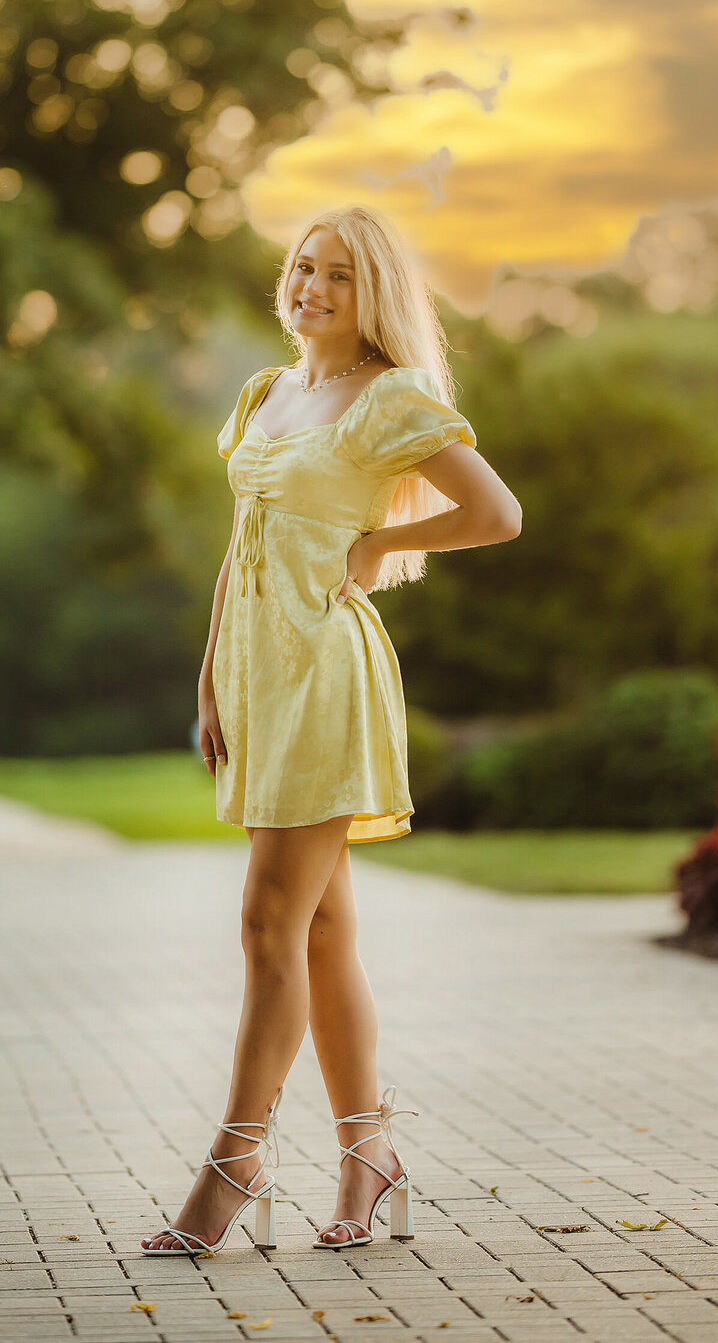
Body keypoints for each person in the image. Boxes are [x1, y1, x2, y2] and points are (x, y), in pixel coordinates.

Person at [141, 204, 522, 1256]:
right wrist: (216, 676)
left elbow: (498, 513)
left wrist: (375, 546)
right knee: (317, 929)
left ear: (374, 299)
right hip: (260, 680)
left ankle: (235, 1159)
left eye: (339, 277)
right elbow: (242, 538)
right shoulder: (267, 394)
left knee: (268, 920)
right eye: (304, 266)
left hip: (328, 677)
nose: (311, 286)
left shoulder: (389, 397)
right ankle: (370, 1156)